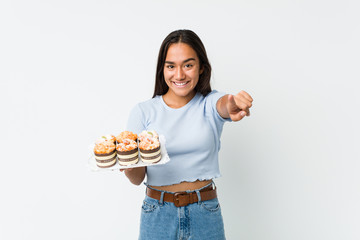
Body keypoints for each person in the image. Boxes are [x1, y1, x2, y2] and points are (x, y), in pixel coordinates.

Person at [122, 29, 253, 240]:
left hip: (204, 212)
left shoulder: (209, 104)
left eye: (188, 65)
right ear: (162, 69)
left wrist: (233, 103)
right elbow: (137, 179)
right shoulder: (143, 111)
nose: (179, 74)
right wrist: (128, 162)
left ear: (201, 68)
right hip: (157, 214)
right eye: (171, 66)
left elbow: (223, 105)